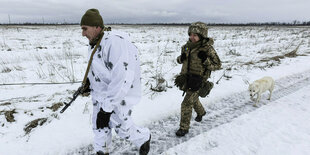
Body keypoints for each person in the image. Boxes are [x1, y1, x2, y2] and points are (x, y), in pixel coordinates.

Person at [79, 9, 151, 155]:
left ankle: (143, 137)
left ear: (97, 27)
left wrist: (107, 108)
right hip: (100, 94)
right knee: (99, 126)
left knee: (123, 129)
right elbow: (99, 67)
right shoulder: (94, 42)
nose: (83, 34)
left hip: (117, 96)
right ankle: (101, 151)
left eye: (85, 29)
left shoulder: (115, 43)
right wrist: (89, 82)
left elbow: (122, 78)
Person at [174, 22, 221, 137]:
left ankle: (184, 128)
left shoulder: (207, 49)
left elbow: (217, 65)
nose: (192, 37)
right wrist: (181, 58)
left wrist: (205, 60)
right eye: (191, 34)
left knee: (186, 103)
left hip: (199, 80)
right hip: (186, 78)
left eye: (195, 35)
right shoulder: (186, 47)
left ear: (202, 36)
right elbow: (179, 60)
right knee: (193, 99)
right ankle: (201, 112)